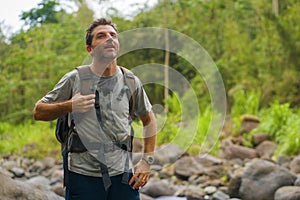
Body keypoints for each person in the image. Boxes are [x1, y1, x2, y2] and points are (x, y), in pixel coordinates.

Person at [33, 18, 157, 200]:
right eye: (101, 36)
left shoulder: (130, 80)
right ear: (89, 49)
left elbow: (149, 120)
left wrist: (147, 161)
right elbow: (39, 111)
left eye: (113, 35)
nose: (109, 39)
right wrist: (70, 105)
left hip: (123, 176)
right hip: (82, 177)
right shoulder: (74, 79)